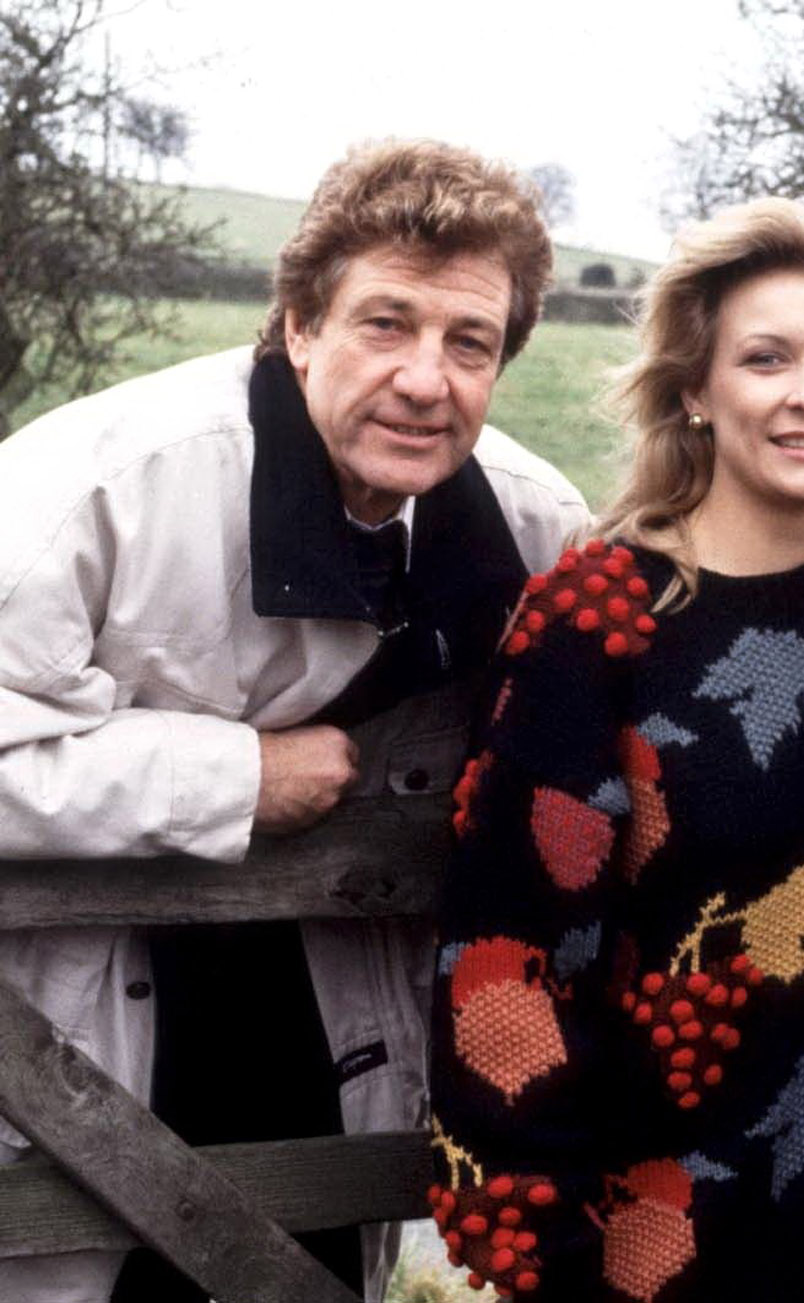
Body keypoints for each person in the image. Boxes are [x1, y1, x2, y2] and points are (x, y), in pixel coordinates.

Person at [0, 140, 588, 1303]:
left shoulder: (534, 528)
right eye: (386, 324)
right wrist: (234, 779)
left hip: (326, 1021)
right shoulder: (101, 490)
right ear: (301, 326)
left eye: (469, 343)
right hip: (69, 1043)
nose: (425, 379)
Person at [426, 196, 804, 1300]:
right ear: (696, 388)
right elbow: (508, 956)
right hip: (649, 1248)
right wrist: (554, 1260)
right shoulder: (597, 624)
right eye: (766, 358)